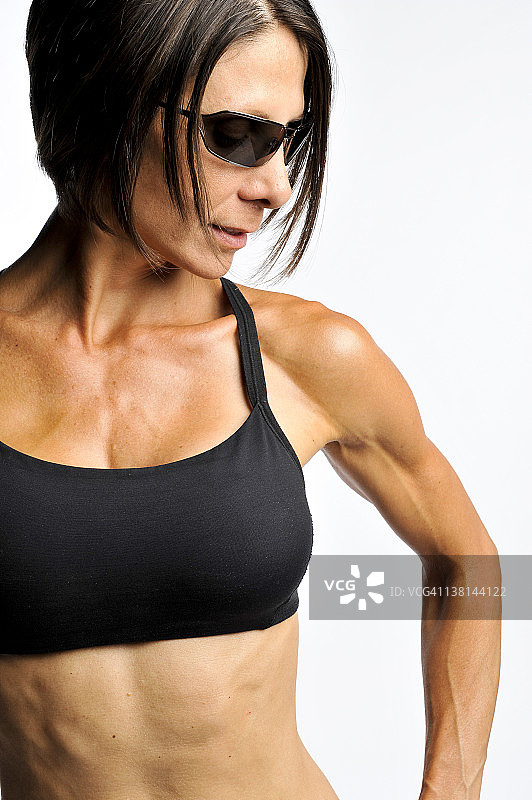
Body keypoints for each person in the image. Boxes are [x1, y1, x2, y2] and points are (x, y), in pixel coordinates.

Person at [0, 1, 501, 799]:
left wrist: (453, 789)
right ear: (108, 96)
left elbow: (470, 564)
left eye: (288, 140)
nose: (277, 188)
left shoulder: (308, 357)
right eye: (238, 136)